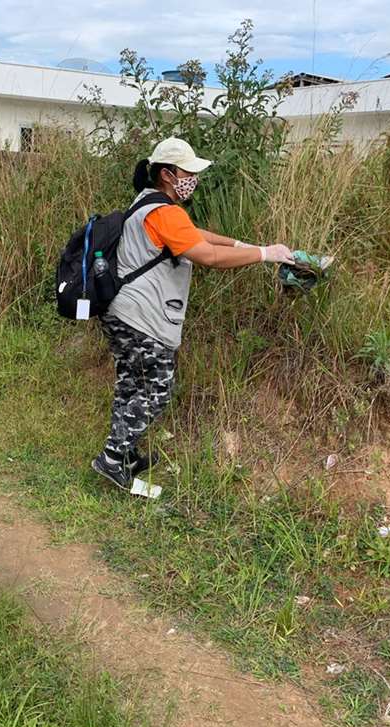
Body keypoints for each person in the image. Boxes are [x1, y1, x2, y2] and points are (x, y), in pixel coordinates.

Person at [91, 137, 296, 490]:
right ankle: (112, 458)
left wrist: (240, 245)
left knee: (131, 384)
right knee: (158, 388)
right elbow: (209, 258)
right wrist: (265, 253)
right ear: (168, 175)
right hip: (142, 318)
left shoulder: (147, 204)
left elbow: (196, 236)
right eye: (189, 172)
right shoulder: (165, 212)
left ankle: (123, 454)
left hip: (120, 311)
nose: (194, 179)